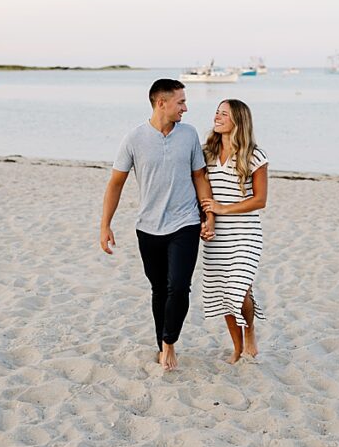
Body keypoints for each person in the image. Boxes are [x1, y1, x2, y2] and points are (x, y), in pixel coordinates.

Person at [100, 79, 214, 372]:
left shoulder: (189, 135)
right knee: (159, 290)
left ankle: (169, 343)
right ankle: (161, 343)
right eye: (180, 102)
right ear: (161, 103)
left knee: (179, 286)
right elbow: (116, 183)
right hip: (148, 227)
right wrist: (105, 225)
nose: (185, 108)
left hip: (185, 223)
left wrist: (208, 213)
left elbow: (200, 176)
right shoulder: (134, 139)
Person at [198, 99, 269, 364]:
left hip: (246, 233)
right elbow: (201, 192)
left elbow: (260, 200)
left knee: (238, 289)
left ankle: (250, 330)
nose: (217, 117)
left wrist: (223, 209)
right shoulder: (207, 153)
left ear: (238, 121)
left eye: (223, 114)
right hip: (217, 236)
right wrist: (208, 219)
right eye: (216, 112)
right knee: (224, 292)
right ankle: (237, 348)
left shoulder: (255, 155)